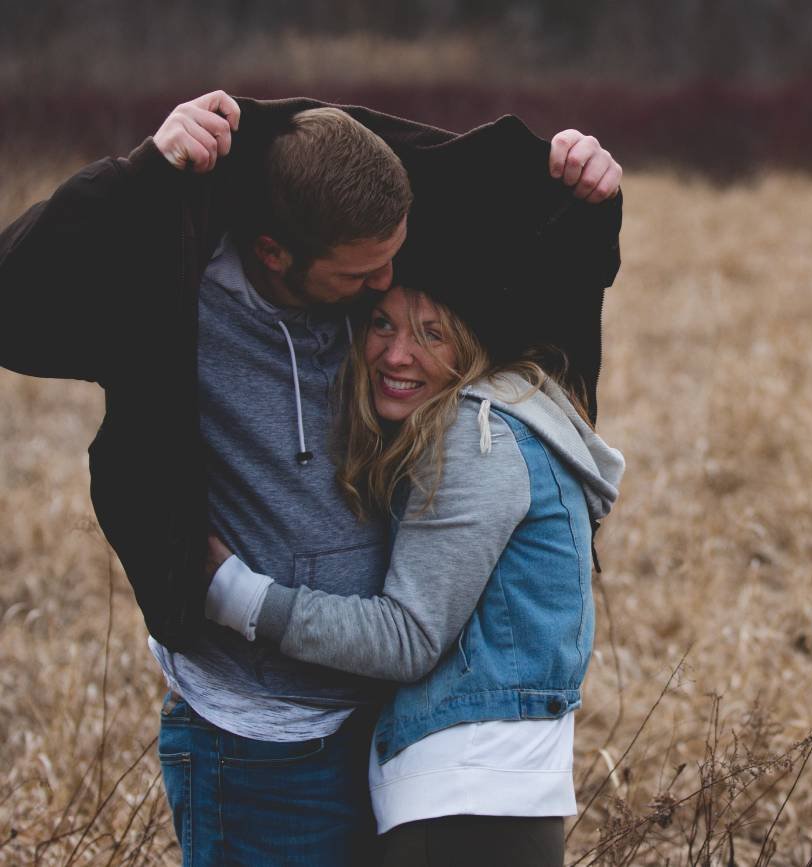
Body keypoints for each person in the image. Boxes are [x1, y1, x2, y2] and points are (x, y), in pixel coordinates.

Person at [0, 90, 623, 865]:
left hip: (383, 726)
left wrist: (587, 190)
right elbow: (13, 294)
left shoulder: (366, 268)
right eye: (362, 275)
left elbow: (529, 254)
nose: (387, 281)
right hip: (259, 738)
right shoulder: (171, 295)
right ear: (274, 253)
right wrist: (143, 172)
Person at [203, 270, 623, 865]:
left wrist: (237, 596)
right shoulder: (518, 416)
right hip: (493, 796)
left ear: (472, 344)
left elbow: (408, 638)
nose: (397, 354)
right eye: (383, 324)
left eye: (432, 334)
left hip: (463, 801)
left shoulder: (478, 436)